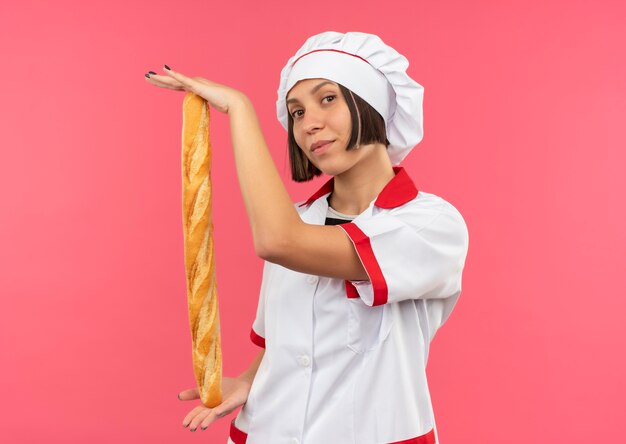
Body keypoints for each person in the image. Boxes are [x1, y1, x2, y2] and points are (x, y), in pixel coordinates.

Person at [145, 31, 469, 444]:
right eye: (295, 112)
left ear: (375, 105)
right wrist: (247, 381)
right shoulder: (300, 217)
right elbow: (281, 340)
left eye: (327, 98)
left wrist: (240, 109)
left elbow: (281, 241)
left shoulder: (431, 226)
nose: (309, 122)